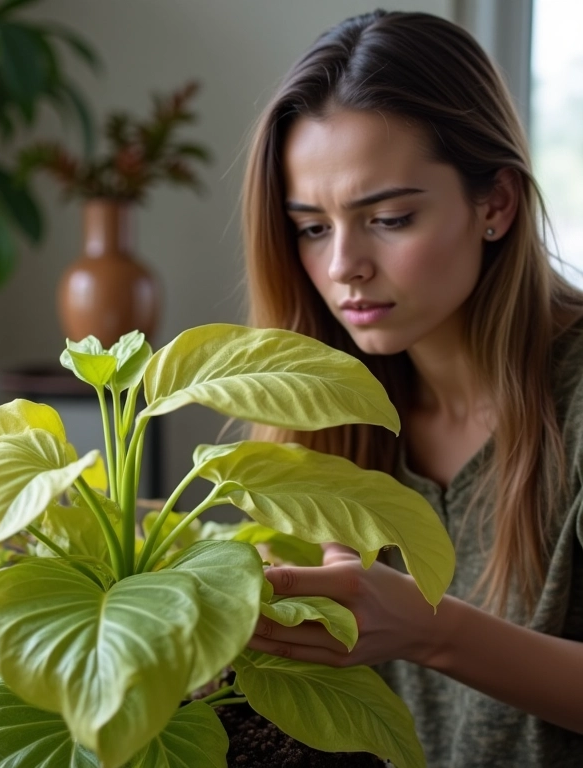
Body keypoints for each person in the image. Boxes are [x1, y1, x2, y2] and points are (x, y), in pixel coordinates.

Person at [242, 9, 583, 768]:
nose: (343, 268)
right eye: (311, 228)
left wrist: (434, 630)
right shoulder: (329, 411)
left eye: (389, 218)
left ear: (494, 205)